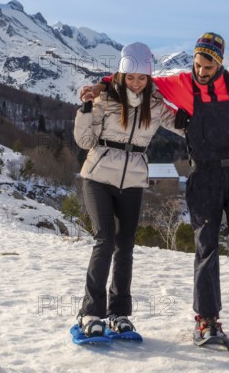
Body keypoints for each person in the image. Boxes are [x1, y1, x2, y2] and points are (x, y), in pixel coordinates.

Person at [82, 33, 229, 356]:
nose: (201, 71)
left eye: (207, 66)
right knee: (206, 248)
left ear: (220, 63)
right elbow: (134, 79)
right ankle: (207, 320)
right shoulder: (180, 83)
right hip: (204, 174)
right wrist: (100, 87)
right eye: (197, 64)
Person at [73, 42, 184, 337]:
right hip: (98, 177)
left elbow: (180, 124)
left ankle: (119, 313)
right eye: (131, 76)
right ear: (121, 75)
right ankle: (90, 313)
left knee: (125, 247)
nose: (136, 83)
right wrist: (85, 109)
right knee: (105, 240)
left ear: (149, 79)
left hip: (133, 181)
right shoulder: (105, 99)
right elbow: (84, 142)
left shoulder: (156, 105)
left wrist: (197, 121)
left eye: (142, 78)